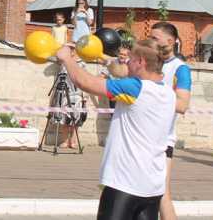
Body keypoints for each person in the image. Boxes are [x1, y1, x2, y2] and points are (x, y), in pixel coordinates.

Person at [56, 39, 175, 220]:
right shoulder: (169, 93)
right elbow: (118, 70)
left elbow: (85, 82)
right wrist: (100, 56)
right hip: (152, 187)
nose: (127, 62)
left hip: (124, 183)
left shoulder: (135, 88)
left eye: (131, 59)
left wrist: (67, 59)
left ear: (141, 62)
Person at [147, 22, 191, 220]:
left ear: (170, 41)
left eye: (155, 38)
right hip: (142, 137)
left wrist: (153, 95)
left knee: (161, 192)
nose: (151, 41)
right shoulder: (149, 64)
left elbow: (182, 105)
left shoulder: (180, 69)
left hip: (162, 140)